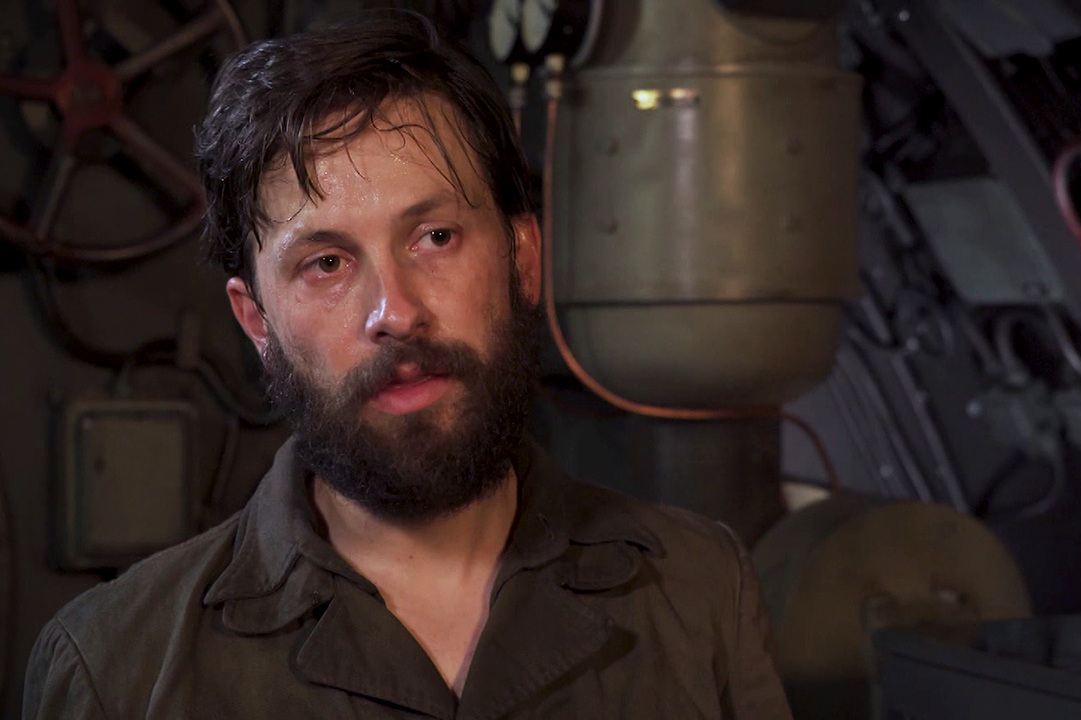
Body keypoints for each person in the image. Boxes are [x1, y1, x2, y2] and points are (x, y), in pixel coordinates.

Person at [23, 11, 792, 720]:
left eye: (435, 238)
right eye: (326, 263)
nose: (394, 311)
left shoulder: (700, 594)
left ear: (523, 259)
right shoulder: (116, 672)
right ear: (256, 321)